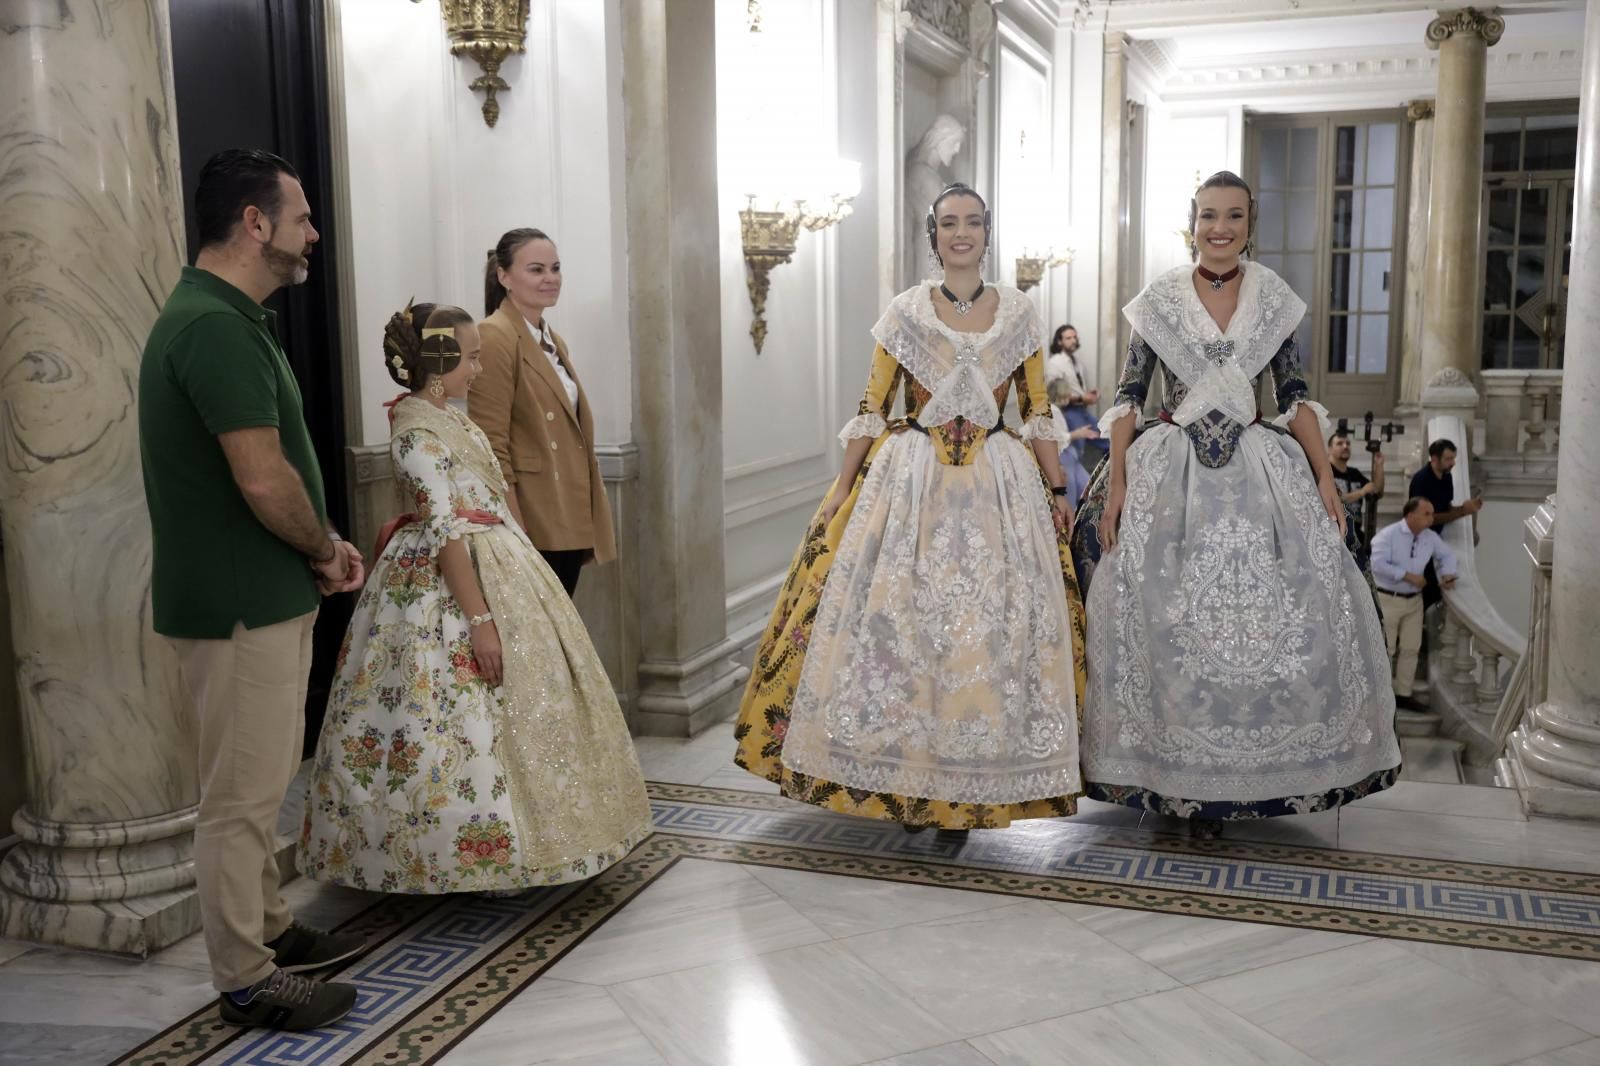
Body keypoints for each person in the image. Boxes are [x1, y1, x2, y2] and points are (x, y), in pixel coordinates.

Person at [732, 183, 1087, 832]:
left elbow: (1038, 415)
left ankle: (970, 780)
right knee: (902, 630)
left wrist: (1059, 491)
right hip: (911, 481)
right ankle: (905, 779)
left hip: (997, 487)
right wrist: (841, 489)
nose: (961, 233)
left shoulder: (1021, 313)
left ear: (987, 232)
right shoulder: (904, 312)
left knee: (983, 634)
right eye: (949, 223)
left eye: (973, 223)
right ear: (933, 235)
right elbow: (872, 406)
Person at [1075, 170, 1400, 833]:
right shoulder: (1159, 301)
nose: (1219, 228)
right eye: (1207, 216)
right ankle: (1171, 776)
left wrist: (1322, 480)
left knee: (1285, 613)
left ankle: (1243, 781)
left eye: (1233, 216)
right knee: (1164, 621)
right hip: (1172, 471)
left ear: (1251, 224)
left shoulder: (1273, 301)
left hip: (1258, 471)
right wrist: (1117, 485)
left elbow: (1297, 396)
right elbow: (1129, 397)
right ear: (1189, 223)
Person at [298, 302, 650, 894]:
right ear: (439, 362)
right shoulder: (415, 429)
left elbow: (492, 497)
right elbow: (442, 529)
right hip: (448, 581)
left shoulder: (453, 419)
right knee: (448, 718)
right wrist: (480, 620)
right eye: (472, 356)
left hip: (500, 559)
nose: (479, 368)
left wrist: (529, 563)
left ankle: (553, 832)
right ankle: (458, 855)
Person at [140, 148, 367, 1031]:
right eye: (303, 216)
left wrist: (316, 553)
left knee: (260, 784)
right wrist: (323, 545)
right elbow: (264, 481)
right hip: (240, 602)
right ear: (255, 223)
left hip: (260, 594)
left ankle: (270, 927)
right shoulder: (213, 327)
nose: (314, 233)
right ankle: (244, 976)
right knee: (237, 798)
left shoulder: (228, 318)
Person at [470, 228, 614, 597]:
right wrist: (515, 528)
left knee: (560, 633)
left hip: (567, 507)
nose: (550, 278)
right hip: (533, 514)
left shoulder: (551, 338)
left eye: (555, 268)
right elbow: (490, 444)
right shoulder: (493, 335)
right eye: (536, 269)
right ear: (504, 276)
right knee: (540, 639)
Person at [1370, 498, 1459, 709]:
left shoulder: (1430, 537)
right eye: (1427, 513)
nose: (1432, 517)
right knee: (1386, 648)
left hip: (1414, 602)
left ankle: (1403, 694)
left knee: (1411, 648)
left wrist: (1448, 573)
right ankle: (1381, 695)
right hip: (1388, 599)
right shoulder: (1388, 535)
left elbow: (1447, 555)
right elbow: (1377, 564)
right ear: (1411, 516)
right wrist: (1407, 575)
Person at [1407, 438, 1480, 605]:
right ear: (1434, 459)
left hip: (1435, 539)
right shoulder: (1421, 480)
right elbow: (1425, 519)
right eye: (1448, 459)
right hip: (1419, 542)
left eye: (1453, 458)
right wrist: (1463, 511)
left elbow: (1446, 509)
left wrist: (1467, 507)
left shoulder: (1447, 478)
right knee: (1425, 593)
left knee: (1435, 593)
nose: (1453, 463)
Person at [1045, 323, 1101, 501]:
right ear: (1059, 341)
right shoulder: (1055, 363)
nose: (1073, 340)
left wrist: (1087, 394)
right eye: (1068, 338)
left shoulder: (1076, 362)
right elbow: (1055, 392)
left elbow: (1073, 388)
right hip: (1069, 410)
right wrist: (1080, 399)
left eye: (1075, 337)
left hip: (1081, 408)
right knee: (1074, 452)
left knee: (1100, 437)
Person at [1329, 429, 1385, 569]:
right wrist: (1361, 493)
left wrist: (1379, 466)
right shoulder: (1326, 472)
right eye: (1340, 443)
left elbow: (1376, 490)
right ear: (1330, 448)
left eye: (1348, 443)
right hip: (1334, 533)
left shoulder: (1354, 473)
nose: (1345, 446)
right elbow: (1335, 499)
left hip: (1356, 535)